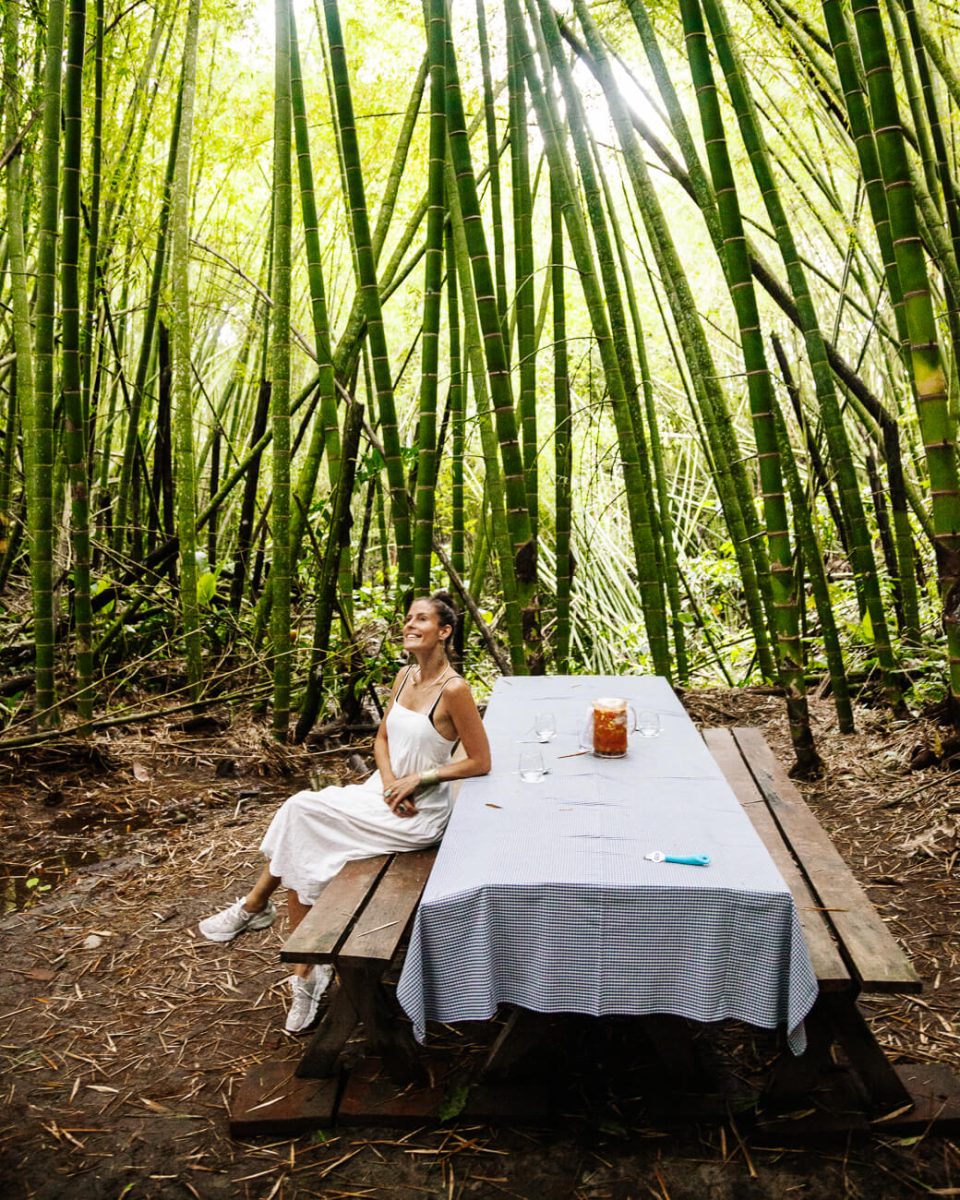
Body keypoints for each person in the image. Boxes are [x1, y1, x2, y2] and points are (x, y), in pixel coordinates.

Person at [198, 591, 491, 1033]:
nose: (410, 624)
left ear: (444, 631)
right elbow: (382, 741)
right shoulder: (404, 676)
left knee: (301, 811)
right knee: (303, 832)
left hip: (418, 814)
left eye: (422, 619)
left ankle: (259, 912)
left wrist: (418, 781)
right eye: (408, 617)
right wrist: (392, 780)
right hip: (384, 792)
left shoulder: (454, 690)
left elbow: (480, 760)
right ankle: (304, 971)